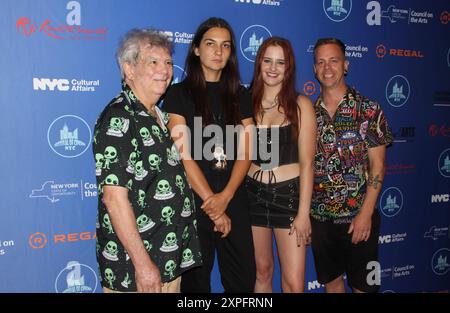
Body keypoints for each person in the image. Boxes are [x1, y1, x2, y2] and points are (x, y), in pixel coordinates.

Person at [93, 28, 201, 293]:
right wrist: (143, 265)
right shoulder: (119, 118)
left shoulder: (160, 118)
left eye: (167, 63)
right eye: (153, 62)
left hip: (169, 261)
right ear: (129, 69)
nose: (164, 70)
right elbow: (114, 199)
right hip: (136, 271)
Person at [163, 17, 256, 292]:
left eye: (225, 46)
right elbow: (183, 156)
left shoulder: (241, 94)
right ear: (196, 49)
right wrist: (213, 207)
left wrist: (225, 197)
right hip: (195, 203)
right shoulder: (177, 95)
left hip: (234, 199)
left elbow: (248, 150)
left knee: (243, 283)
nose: (218, 52)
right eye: (211, 44)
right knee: (195, 287)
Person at [310, 38, 393, 293]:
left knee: (365, 288)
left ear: (345, 65)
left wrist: (366, 213)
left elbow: (378, 166)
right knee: (332, 284)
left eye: (333, 60)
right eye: (321, 62)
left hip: (360, 216)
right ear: (314, 69)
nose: (327, 68)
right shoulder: (307, 113)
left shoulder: (369, 109)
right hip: (321, 220)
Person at [245, 37, 317, 293]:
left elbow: (308, 163)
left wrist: (303, 214)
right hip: (252, 196)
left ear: (289, 68)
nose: (273, 68)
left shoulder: (300, 105)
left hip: (288, 198)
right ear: (259, 63)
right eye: (267, 61)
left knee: (294, 283)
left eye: (280, 62)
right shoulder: (246, 102)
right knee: (262, 271)